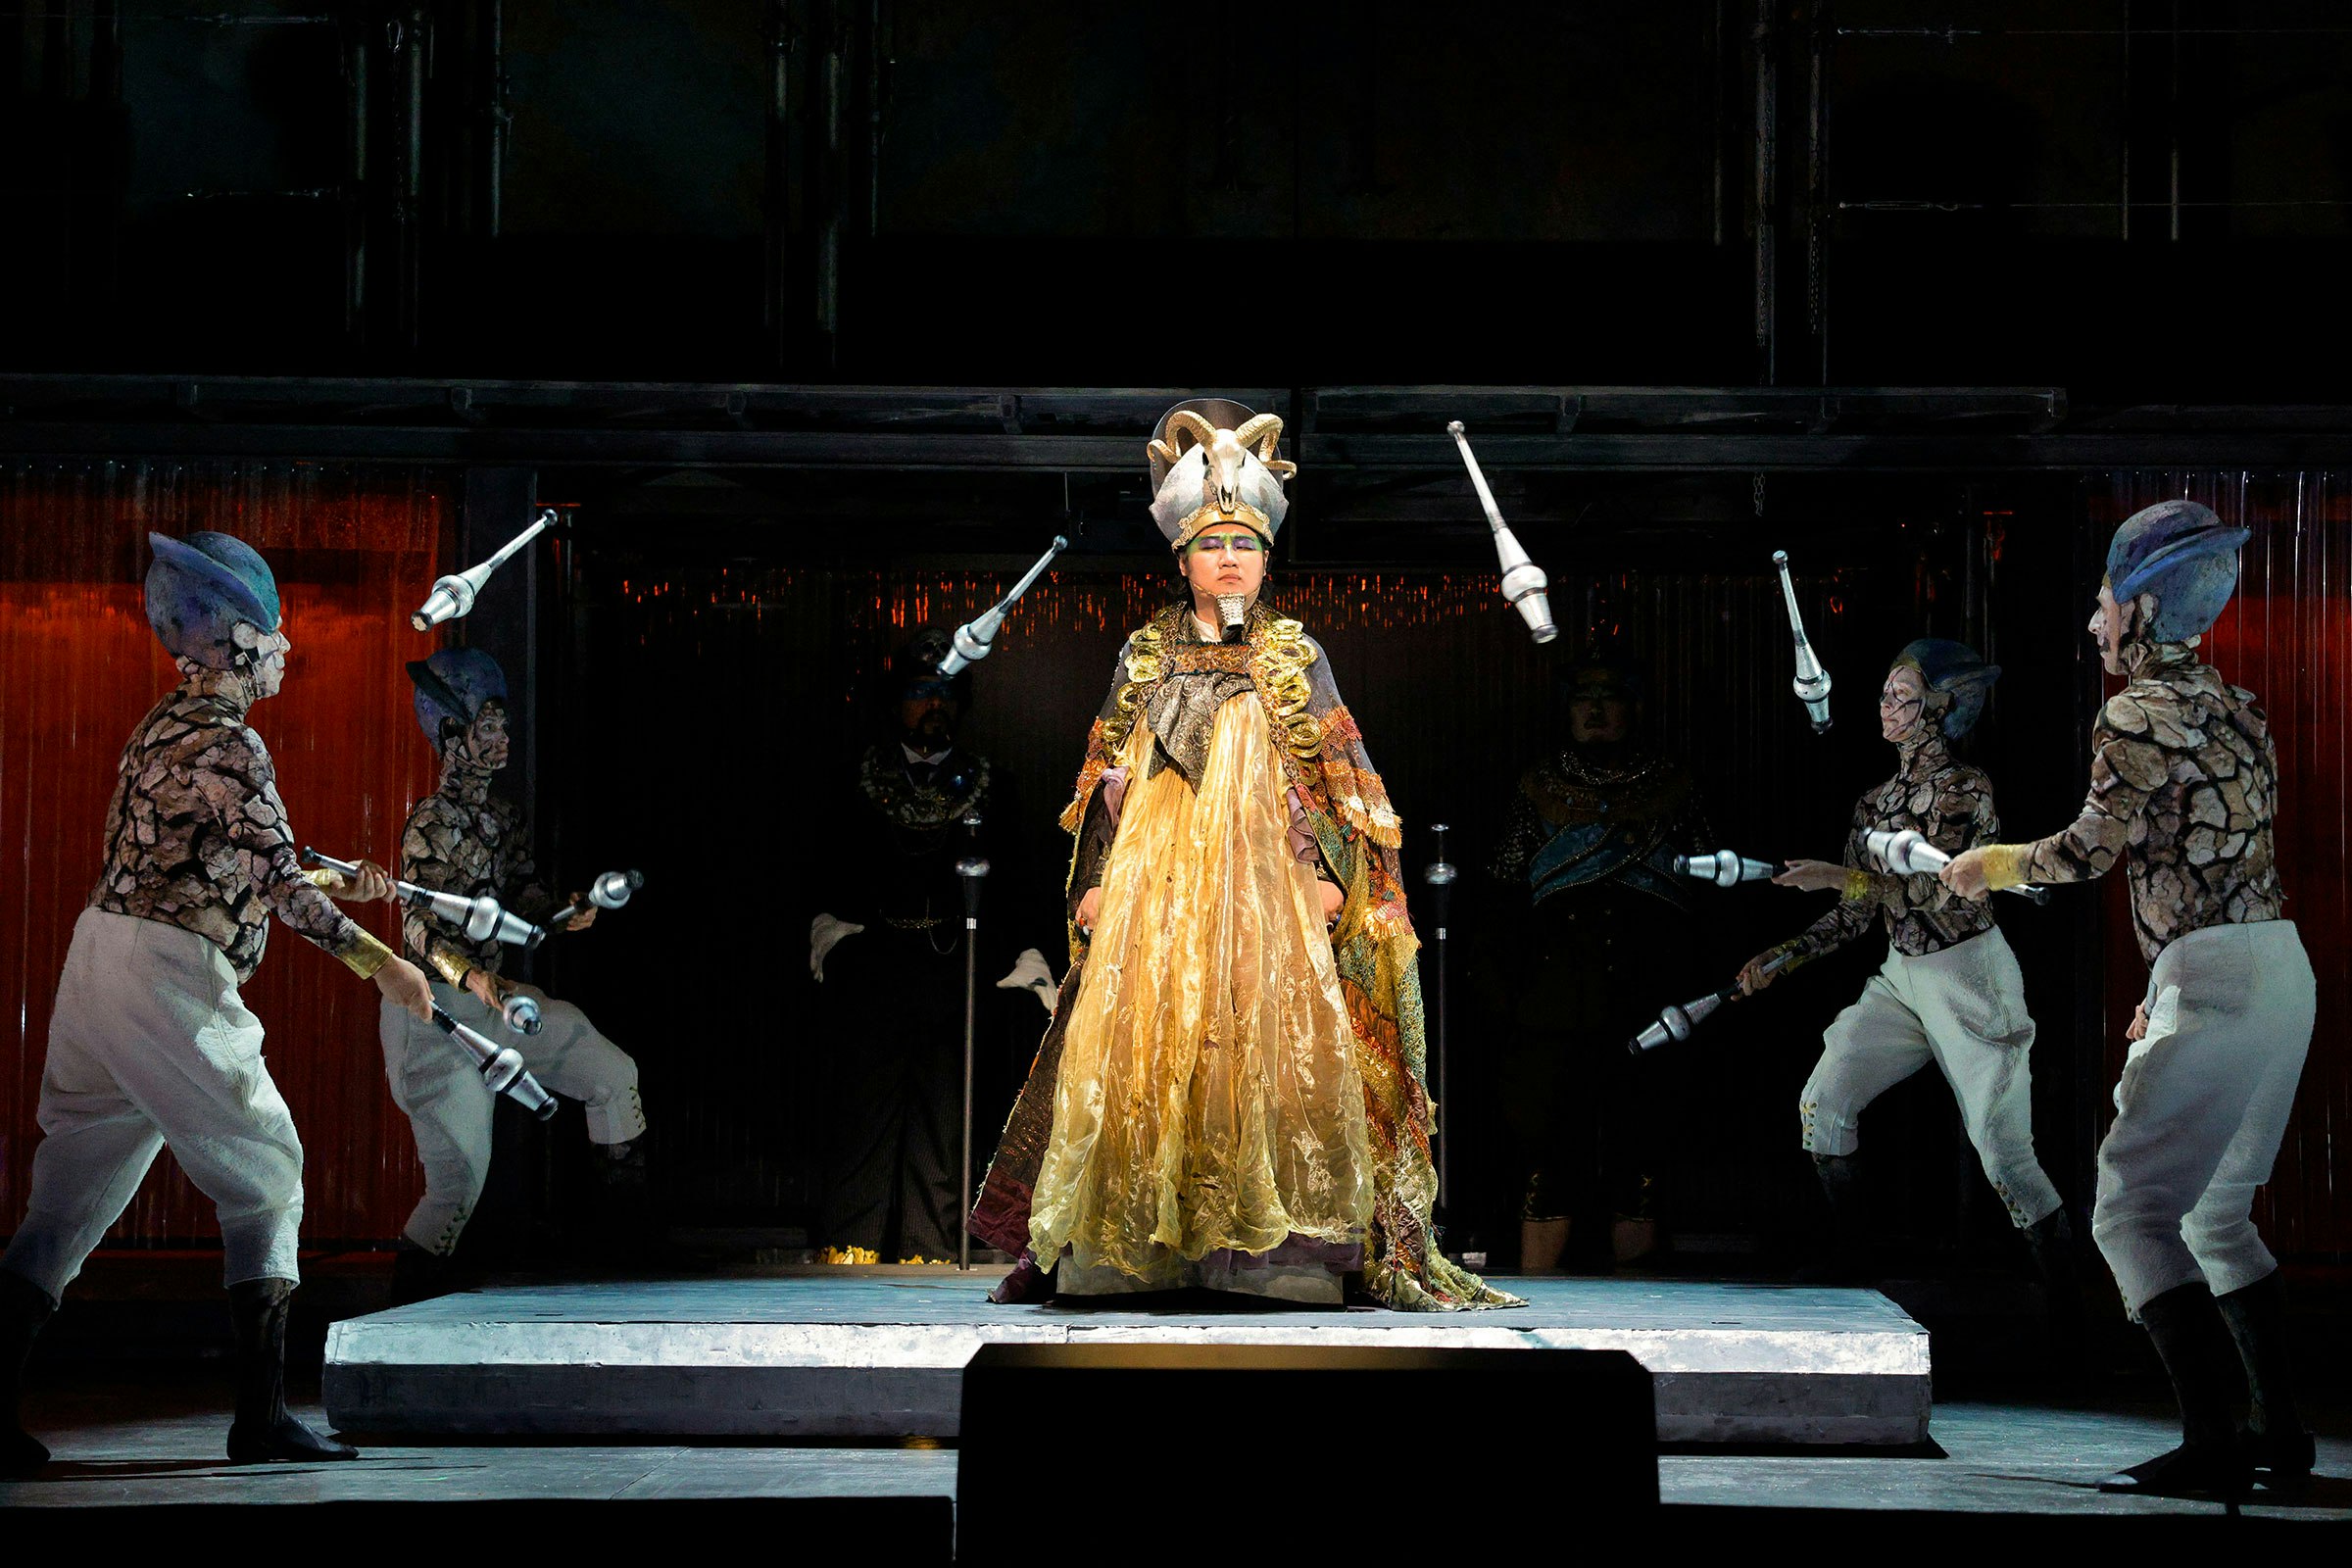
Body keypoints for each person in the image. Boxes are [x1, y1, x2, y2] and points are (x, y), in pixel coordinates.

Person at [968, 398, 1518, 1311]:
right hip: (1159, 896)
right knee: (1145, 1054)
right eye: (1213, 544)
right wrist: (1098, 882)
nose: (1230, 558)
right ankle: (1137, 1252)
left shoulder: (1296, 658)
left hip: (1264, 900)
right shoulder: (1143, 655)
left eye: (1247, 545)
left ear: (1268, 558)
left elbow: (1340, 786)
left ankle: (1273, 1259)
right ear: (1181, 557)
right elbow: (1107, 781)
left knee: (1261, 1056)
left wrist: (1326, 880)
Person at [1, 531, 435, 1471]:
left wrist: (332, 873)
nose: (284, 652)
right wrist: (383, 966)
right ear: (239, 639)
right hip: (167, 971)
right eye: (272, 635)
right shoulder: (234, 741)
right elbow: (274, 878)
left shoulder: (165, 723)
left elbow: (224, 843)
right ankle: (261, 1416)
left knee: (69, 1200)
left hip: (97, 963)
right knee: (269, 1168)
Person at [1944, 501, 2313, 1498]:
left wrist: (1992, 863)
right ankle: (2279, 1429)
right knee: (2220, 1212)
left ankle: (2216, 1439)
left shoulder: (2135, 711)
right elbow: (2219, 862)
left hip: (2222, 975)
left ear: (2144, 606)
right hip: (2277, 966)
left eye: (2104, 602)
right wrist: (2172, 982)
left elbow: (2093, 849)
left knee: (2129, 1211)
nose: (2095, 624)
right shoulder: (2239, 706)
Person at [1739, 640, 2073, 1290]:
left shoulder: (1965, 789)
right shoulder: (1875, 803)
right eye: (1885, 695)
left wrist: (1844, 876)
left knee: (2004, 1153)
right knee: (1824, 1101)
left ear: (1942, 710)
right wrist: (1786, 956)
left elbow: (1938, 892)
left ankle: (2068, 1313)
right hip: (1903, 976)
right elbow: (1856, 911)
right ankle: (1855, 1260)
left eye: (1904, 697)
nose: (1886, 708)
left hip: (1969, 976)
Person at [377, 648, 647, 1301]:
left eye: (502, 726)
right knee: (459, 1182)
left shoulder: (501, 817)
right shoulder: (429, 825)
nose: (500, 740)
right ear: (451, 734)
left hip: (498, 1006)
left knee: (612, 1075)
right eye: (485, 727)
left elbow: (525, 893)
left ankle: (624, 1254)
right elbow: (420, 933)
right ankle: (400, 1318)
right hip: (435, 1016)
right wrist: (478, 983)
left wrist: (566, 910)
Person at [806, 629, 1027, 1263]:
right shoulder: (856, 783)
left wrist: (1022, 957)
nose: (935, 705)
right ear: (896, 701)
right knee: (863, 1113)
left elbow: (1018, 881)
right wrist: (829, 934)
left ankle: (931, 1248)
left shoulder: (991, 787)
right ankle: (852, 1243)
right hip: (873, 968)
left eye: (946, 694)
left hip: (957, 969)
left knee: (945, 1115)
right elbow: (822, 873)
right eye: (921, 693)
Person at [1487, 660, 1708, 1269]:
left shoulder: (1675, 787)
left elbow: (1706, 886)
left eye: (1608, 697)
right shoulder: (1538, 786)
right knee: (1548, 1150)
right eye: (1582, 697)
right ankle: (1537, 1302)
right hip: (1555, 994)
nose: (1594, 709)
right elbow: (1506, 889)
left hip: (1651, 989)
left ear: (1633, 708)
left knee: (1641, 1152)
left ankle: (1638, 1306)